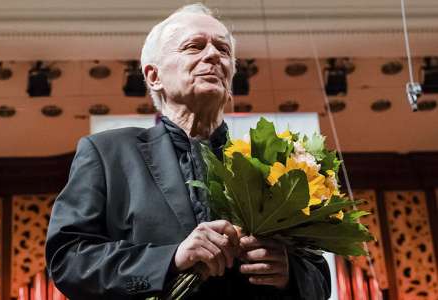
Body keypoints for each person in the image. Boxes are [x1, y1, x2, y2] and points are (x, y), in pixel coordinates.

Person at [46, 3, 331, 299]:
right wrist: (171, 258)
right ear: (154, 76)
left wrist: (289, 273)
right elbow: (68, 259)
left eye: (223, 50)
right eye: (194, 47)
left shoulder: (267, 163)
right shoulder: (107, 153)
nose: (213, 56)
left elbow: (319, 277)